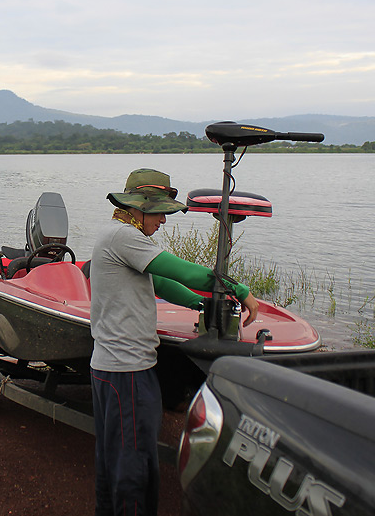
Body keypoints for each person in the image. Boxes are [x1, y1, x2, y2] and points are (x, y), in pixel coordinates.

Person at [88, 168, 259, 516]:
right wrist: (240, 290)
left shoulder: (115, 236)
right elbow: (181, 271)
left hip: (110, 368)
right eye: (160, 213)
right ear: (138, 208)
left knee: (113, 461)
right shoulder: (125, 237)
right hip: (128, 371)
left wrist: (201, 303)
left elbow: (163, 285)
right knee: (134, 465)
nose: (163, 222)